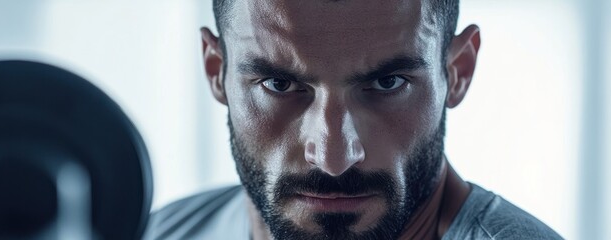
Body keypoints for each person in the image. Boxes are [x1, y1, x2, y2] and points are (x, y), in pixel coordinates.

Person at [144, 0, 562, 239]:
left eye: (387, 83)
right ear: (216, 69)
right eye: (278, 84)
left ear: (457, 71)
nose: (333, 157)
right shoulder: (160, 231)